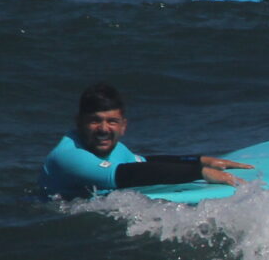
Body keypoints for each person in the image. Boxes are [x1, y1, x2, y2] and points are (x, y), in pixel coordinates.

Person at [40, 83, 251, 200]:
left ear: (124, 126)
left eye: (112, 121)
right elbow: (126, 174)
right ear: (79, 123)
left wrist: (200, 160)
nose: (104, 129)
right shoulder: (68, 156)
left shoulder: (116, 150)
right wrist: (199, 172)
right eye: (95, 121)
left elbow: (144, 164)